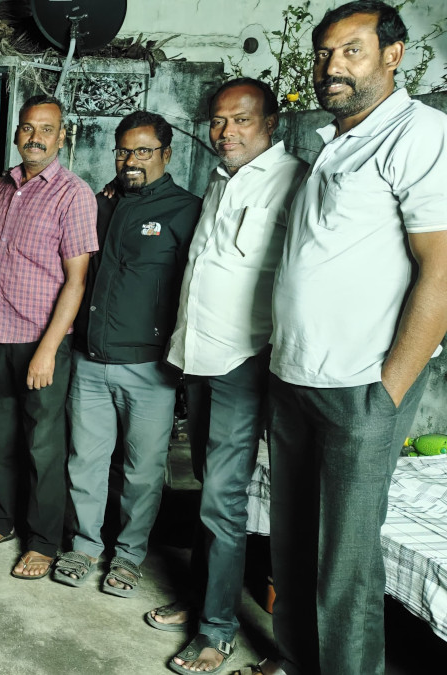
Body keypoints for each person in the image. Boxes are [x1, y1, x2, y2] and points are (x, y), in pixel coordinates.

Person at [250, 3, 447, 674]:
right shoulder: (336, 140)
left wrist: (387, 393)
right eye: (325, 53)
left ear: (393, 55)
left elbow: (441, 271)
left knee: (345, 562)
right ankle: (295, 659)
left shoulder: (419, 134)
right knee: (292, 542)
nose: (332, 66)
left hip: (361, 384)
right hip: (297, 376)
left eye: (352, 51)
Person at [143, 79, 307, 674]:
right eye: (217, 120)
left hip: (244, 358)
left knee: (222, 498)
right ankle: (201, 599)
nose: (226, 131)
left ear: (271, 124)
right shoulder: (220, 178)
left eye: (241, 120)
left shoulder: (295, 180)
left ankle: (216, 630)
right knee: (209, 487)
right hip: (199, 355)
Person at [52, 111, 199, 591]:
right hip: (90, 361)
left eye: (143, 151)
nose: (131, 160)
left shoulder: (187, 211)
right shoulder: (98, 204)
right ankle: (83, 547)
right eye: (123, 151)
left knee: (143, 470)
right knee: (85, 462)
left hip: (150, 369)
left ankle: (129, 556)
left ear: (166, 154)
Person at [0, 94, 99, 581]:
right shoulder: (3, 185)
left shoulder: (73, 194)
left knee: (43, 446)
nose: (35, 137)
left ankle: (43, 542)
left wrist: (48, 350)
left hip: (39, 341)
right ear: (17, 132)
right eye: (27, 127)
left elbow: (76, 281)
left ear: (62, 136)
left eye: (46, 129)